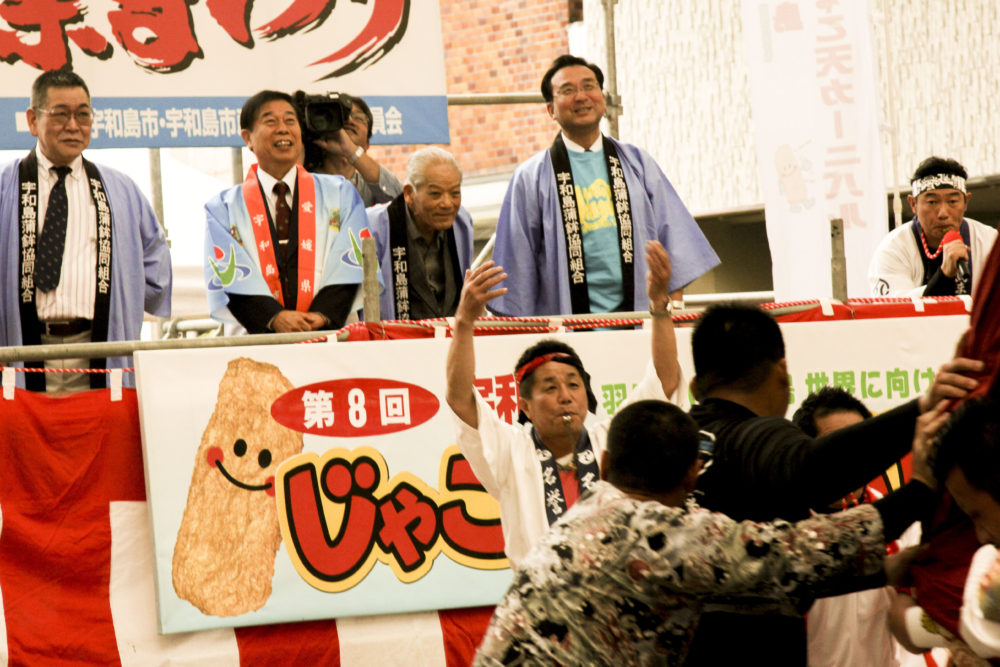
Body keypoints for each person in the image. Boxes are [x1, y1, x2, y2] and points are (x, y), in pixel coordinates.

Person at [474, 399, 945, 666]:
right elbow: (792, 556)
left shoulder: (584, 513)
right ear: (692, 476)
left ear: (605, 464)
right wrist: (920, 489)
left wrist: (884, 570)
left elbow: (756, 581)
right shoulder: (665, 536)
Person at [683, 303, 983, 665]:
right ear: (782, 372)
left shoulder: (674, 447)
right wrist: (920, 469)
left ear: (695, 385)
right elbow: (812, 476)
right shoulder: (754, 440)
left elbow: (769, 566)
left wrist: (884, 570)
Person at [446, 240, 680, 568]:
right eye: (550, 387)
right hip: (538, 593)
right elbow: (459, 398)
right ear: (525, 406)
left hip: (614, 590)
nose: (566, 396)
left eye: (573, 384)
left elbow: (664, 381)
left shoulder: (611, 439)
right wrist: (464, 322)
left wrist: (658, 305)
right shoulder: (511, 452)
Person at [490, 54, 720, 317]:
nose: (581, 96)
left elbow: (675, 245)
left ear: (602, 97)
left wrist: (674, 310)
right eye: (568, 90)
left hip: (643, 322)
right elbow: (517, 270)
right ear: (550, 110)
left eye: (589, 86)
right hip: (566, 330)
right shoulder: (530, 177)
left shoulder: (638, 163)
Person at [0, 70, 171, 393]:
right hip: (22, 347)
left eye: (83, 114)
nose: (73, 125)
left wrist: (127, 296)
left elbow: (155, 257)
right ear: (33, 120)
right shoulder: (5, 187)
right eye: (60, 114)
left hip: (100, 344)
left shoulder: (120, 190)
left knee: (101, 424)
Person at [204, 90, 370, 333]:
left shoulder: (341, 193)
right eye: (271, 121)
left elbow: (352, 260)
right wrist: (273, 318)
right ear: (248, 138)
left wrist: (322, 315)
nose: (283, 129)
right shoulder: (223, 208)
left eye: (290, 120)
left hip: (329, 335)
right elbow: (227, 274)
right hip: (256, 339)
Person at [793, 387, 920, 667]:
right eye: (838, 447)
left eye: (861, 447)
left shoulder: (902, 523)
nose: (851, 461)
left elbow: (915, 637)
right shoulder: (782, 532)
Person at [365, 147, 473, 320]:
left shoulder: (461, 222)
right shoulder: (372, 227)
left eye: (455, 193)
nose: (447, 203)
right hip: (395, 335)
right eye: (436, 194)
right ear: (409, 193)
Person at [869, 156, 997, 298]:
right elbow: (896, 307)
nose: (943, 213)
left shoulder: (989, 241)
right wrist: (944, 274)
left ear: (966, 202)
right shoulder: (894, 249)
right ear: (913, 204)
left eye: (953, 201)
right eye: (932, 202)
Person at [298, 92, 403, 207]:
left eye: (358, 118)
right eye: (342, 117)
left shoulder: (370, 188)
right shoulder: (304, 180)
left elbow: (403, 201)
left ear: (367, 144)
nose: (350, 121)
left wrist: (351, 151)